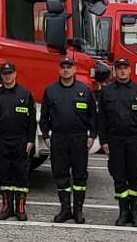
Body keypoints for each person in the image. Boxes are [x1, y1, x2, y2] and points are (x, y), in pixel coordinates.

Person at [41, 57, 98, 223]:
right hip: (58, 139)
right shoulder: (50, 90)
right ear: (59, 70)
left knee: (80, 176)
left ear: (74, 70)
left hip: (79, 139)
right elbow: (44, 116)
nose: (66, 70)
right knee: (61, 175)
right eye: (63, 67)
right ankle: (65, 209)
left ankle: (78, 211)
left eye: (69, 67)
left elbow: (93, 117)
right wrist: (45, 136)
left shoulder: (85, 90)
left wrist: (92, 136)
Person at [97, 58, 137, 226]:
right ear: (115, 71)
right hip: (114, 140)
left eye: (125, 68)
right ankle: (123, 212)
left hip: (134, 140)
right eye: (119, 68)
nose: (122, 71)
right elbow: (102, 119)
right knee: (118, 176)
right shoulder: (107, 92)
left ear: (130, 70)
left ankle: (136, 213)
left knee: (133, 176)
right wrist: (104, 141)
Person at [0, 63, 38, 221]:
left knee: (21, 175)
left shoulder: (25, 94)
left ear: (15, 74)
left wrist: (30, 140)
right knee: (4, 175)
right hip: (2, 141)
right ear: (1, 75)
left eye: (10, 73)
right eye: (4, 73)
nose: (7, 76)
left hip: (20, 141)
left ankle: (20, 208)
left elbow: (32, 121)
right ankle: (7, 207)